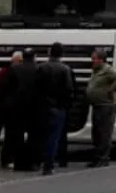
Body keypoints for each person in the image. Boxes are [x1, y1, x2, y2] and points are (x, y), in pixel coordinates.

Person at [35, 42, 74, 175]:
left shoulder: (41, 68)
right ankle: (49, 165)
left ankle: (38, 161)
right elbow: (69, 89)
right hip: (58, 107)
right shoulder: (65, 69)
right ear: (62, 54)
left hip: (42, 107)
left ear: (49, 53)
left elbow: (36, 87)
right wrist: (65, 105)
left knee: (42, 135)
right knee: (54, 136)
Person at [85, 49, 116, 168]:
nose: (92, 61)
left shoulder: (107, 70)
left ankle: (103, 158)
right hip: (97, 105)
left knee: (104, 133)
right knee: (96, 133)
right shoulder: (96, 71)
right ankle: (97, 157)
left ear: (101, 60)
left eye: (94, 59)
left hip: (106, 106)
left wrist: (111, 90)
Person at [4, 47, 43, 172]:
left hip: (17, 107)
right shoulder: (39, 69)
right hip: (35, 107)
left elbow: (8, 88)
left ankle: (18, 162)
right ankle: (33, 162)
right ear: (34, 57)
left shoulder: (14, 69)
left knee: (17, 135)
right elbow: (43, 88)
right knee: (34, 135)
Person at [56, 63, 77, 168]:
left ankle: (49, 158)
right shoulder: (67, 70)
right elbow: (71, 89)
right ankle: (62, 159)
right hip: (62, 106)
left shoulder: (43, 69)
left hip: (48, 106)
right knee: (62, 134)